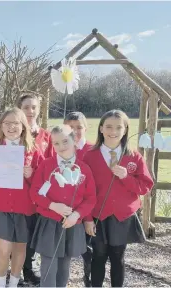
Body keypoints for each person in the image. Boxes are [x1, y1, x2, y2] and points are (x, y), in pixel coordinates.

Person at [82, 110, 154, 288]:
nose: (113, 131)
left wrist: (126, 177)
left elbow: (146, 185)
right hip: (98, 215)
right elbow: (82, 190)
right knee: (98, 255)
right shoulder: (89, 156)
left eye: (118, 127)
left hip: (123, 216)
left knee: (118, 257)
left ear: (125, 130)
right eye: (108, 126)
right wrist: (87, 219)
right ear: (100, 128)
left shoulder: (134, 156)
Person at [0, 108, 44, 287]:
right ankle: (0, 283)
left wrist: (31, 174)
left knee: (20, 247)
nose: (11, 127)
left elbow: (43, 180)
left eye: (15, 123)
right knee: (4, 249)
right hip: (2, 207)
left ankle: (13, 283)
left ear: (23, 126)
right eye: (7, 123)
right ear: (1, 126)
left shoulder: (32, 149)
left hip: (25, 207)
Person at [29, 125, 96, 288]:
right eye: (56, 143)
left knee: (64, 265)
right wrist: (53, 206)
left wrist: (77, 215)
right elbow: (35, 193)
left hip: (72, 223)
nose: (61, 146)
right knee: (48, 265)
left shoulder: (84, 169)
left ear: (74, 140)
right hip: (50, 222)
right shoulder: (46, 166)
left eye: (65, 141)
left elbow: (90, 198)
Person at [16, 93, 54, 285]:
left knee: (35, 233)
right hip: (19, 192)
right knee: (21, 234)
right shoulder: (14, 135)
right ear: (19, 110)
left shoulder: (46, 136)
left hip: (40, 194)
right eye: (26, 108)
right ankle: (22, 270)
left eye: (33, 107)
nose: (30, 111)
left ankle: (31, 268)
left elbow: (52, 165)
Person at [63, 111, 93, 286]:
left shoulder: (92, 150)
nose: (74, 131)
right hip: (64, 207)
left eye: (78, 127)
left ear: (86, 128)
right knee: (64, 248)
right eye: (70, 127)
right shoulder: (60, 148)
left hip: (86, 208)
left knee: (87, 248)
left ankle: (88, 277)